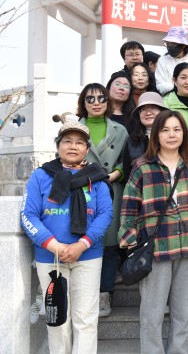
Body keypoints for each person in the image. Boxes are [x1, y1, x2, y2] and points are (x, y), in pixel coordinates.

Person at [21, 121, 112, 354]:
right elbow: (29, 215)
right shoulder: (40, 176)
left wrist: (82, 244)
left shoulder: (97, 178)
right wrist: (54, 246)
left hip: (88, 256)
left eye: (79, 142)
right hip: (50, 258)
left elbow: (105, 214)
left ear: (87, 149)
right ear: (58, 146)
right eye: (67, 141)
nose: (73, 146)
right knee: (57, 319)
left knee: (85, 318)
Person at [119, 111, 188, 354]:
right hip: (155, 248)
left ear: (184, 134)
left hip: (187, 247)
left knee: (183, 311)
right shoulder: (142, 167)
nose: (171, 135)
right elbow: (129, 205)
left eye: (176, 129)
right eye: (165, 130)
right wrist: (130, 240)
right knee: (152, 312)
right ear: (156, 134)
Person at [76, 83, 128, 318]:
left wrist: (115, 174)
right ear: (83, 103)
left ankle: (105, 293)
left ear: (108, 102)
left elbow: (127, 160)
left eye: (101, 98)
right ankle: (85, 292)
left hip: (111, 188)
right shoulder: (74, 129)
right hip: (81, 190)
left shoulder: (120, 130)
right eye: (90, 99)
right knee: (84, 238)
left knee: (109, 242)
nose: (96, 103)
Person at [121, 92, 168, 181]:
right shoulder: (132, 140)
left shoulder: (170, 137)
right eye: (143, 109)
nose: (148, 113)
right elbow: (127, 173)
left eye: (153, 108)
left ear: (162, 112)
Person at [155, 26, 188, 94]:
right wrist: (180, 87)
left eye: (173, 44)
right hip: (168, 98)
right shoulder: (163, 60)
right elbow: (160, 85)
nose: (169, 46)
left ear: (183, 45)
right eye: (167, 43)